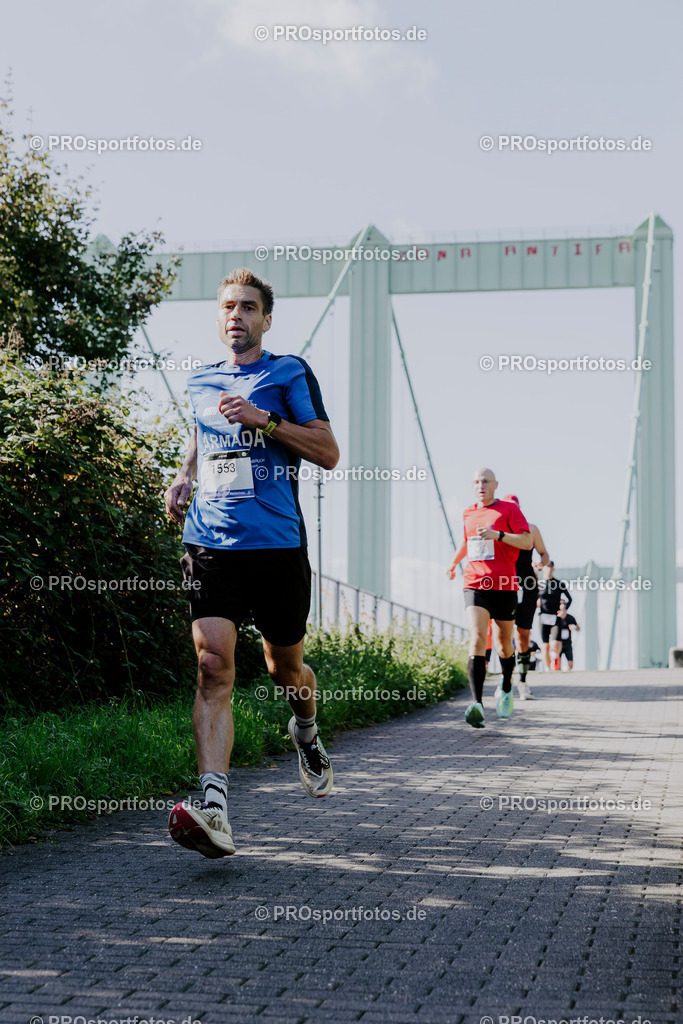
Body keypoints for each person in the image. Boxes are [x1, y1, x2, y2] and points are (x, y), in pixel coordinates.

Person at [164, 267, 340, 859]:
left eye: (247, 307)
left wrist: (263, 419)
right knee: (213, 665)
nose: (235, 315)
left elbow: (329, 451)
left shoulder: (289, 372)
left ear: (266, 318)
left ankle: (307, 733)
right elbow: (201, 435)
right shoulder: (198, 381)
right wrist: (185, 476)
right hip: (210, 543)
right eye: (226, 307)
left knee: (284, 670)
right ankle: (214, 805)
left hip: (277, 545)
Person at [448, 468, 532, 727]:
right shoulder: (468, 512)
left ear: (495, 484)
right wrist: (453, 563)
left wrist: (499, 535)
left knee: (504, 645)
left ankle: (506, 687)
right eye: (476, 481)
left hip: (504, 585)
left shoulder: (509, 510)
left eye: (485, 481)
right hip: (474, 582)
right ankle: (477, 704)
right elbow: (466, 541)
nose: (480, 485)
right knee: (476, 639)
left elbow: (527, 541)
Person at [500, 495, 550, 700]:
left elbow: (545, 554)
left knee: (523, 635)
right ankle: (505, 681)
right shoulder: (498, 532)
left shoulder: (531, 529)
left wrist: (542, 564)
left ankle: (522, 682)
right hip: (503, 584)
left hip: (527, 585)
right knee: (502, 636)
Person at [537, 562, 572, 670]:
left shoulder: (558, 584)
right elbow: (531, 598)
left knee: (555, 644)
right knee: (545, 645)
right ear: (543, 569)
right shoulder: (539, 584)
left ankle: (555, 662)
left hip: (555, 617)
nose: (549, 570)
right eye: (547, 568)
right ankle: (548, 668)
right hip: (543, 617)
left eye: (551, 568)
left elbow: (569, 599)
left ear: (553, 569)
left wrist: (564, 610)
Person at [553, 600, 580, 670]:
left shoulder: (570, 618)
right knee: (557, 663)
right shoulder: (556, 618)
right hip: (559, 643)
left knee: (570, 664)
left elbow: (578, 628)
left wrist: (574, 627)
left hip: (568, 643)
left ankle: (567, 673)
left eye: (564, 609)